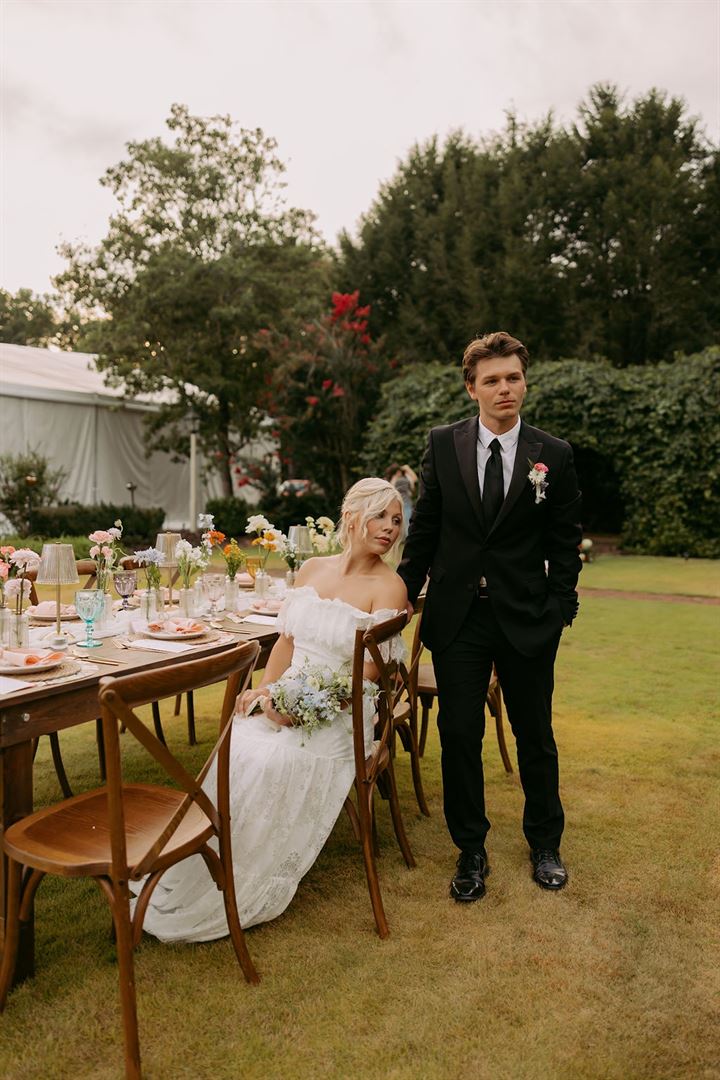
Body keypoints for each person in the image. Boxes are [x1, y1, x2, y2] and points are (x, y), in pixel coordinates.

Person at [137, 478, 407, 942]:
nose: (389, 528)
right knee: (236, 745)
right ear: (351, 517)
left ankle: (241, 878)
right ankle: (202, 864)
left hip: (341, 712)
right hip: (289, 691)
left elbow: (366, 677)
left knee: (271, 760)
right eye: (380, 515)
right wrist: (264, 691)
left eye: (397, 520)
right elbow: (286, 642)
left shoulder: (389, 587)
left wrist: (299, 710)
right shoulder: (313, 569)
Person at [397, 331, 582, 901]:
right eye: (493, 380)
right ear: (471, 388)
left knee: (535, 734)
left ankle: (545, 843)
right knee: (458, 733)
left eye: (513, 378)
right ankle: (470, 850)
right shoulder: (442, 444)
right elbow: (425, 529)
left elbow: (565, 539)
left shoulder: (553, 454)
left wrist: (559, 609)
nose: (505, 388)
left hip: (527, 617)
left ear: (524, 382)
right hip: (459, 617)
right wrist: (401, 594)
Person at [386, 463, 418, 534]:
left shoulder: (393, 479)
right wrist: (407, 469)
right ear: (397, 472)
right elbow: (414, 479)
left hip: (399, 504)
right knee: (405, 524)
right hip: (403, 503)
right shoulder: (401, 479)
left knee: (400, 523)